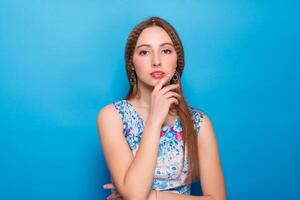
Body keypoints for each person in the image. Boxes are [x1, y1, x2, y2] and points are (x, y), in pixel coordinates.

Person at [97, 16, 226, 200]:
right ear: (131, 63)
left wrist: (152, 196)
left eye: (166, 51)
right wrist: (155, 120)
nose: (156, 61)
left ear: (177, 61)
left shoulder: (199, 123)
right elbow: (134, 195)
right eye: (144, 52)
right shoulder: (112, 116)